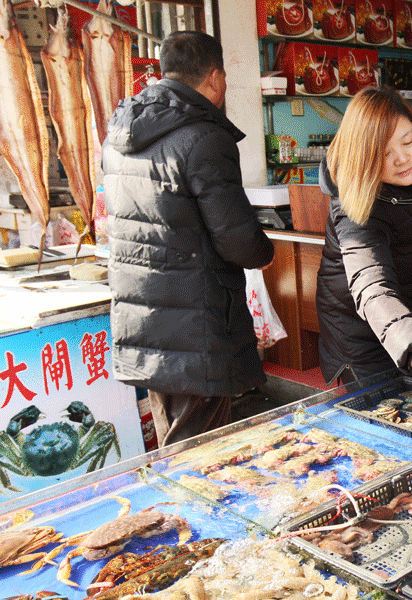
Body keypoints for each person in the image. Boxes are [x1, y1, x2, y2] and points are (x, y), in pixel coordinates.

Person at [102, 31, 275, 446]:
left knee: (174, 437)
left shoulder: (120, 131)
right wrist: (264, 251)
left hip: (146, 318)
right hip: (196, 322)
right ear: (215, 77)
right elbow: (238, 241)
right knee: (201, 452)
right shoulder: (204, 136)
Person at [316, 86, 412, 412]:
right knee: (386, 424)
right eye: (382, 153)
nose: (403, 158)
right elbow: (372, 288)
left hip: (404, 317)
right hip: (358, 334)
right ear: (363, 158)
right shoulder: (354, 203)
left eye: (407, 141)